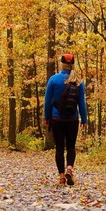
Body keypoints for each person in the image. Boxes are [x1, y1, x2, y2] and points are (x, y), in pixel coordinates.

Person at [44, 53, 87, 185]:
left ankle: (62, 178)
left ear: (62, 64)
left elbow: (47, 101)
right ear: (72, 64)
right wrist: (84, 119)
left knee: (59, 148)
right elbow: (81, 103)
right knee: (71, 147)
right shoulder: (78, 81)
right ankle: (69, 168)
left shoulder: (53, 79)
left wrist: (47, 118)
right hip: (72, 120)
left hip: (57, 119)